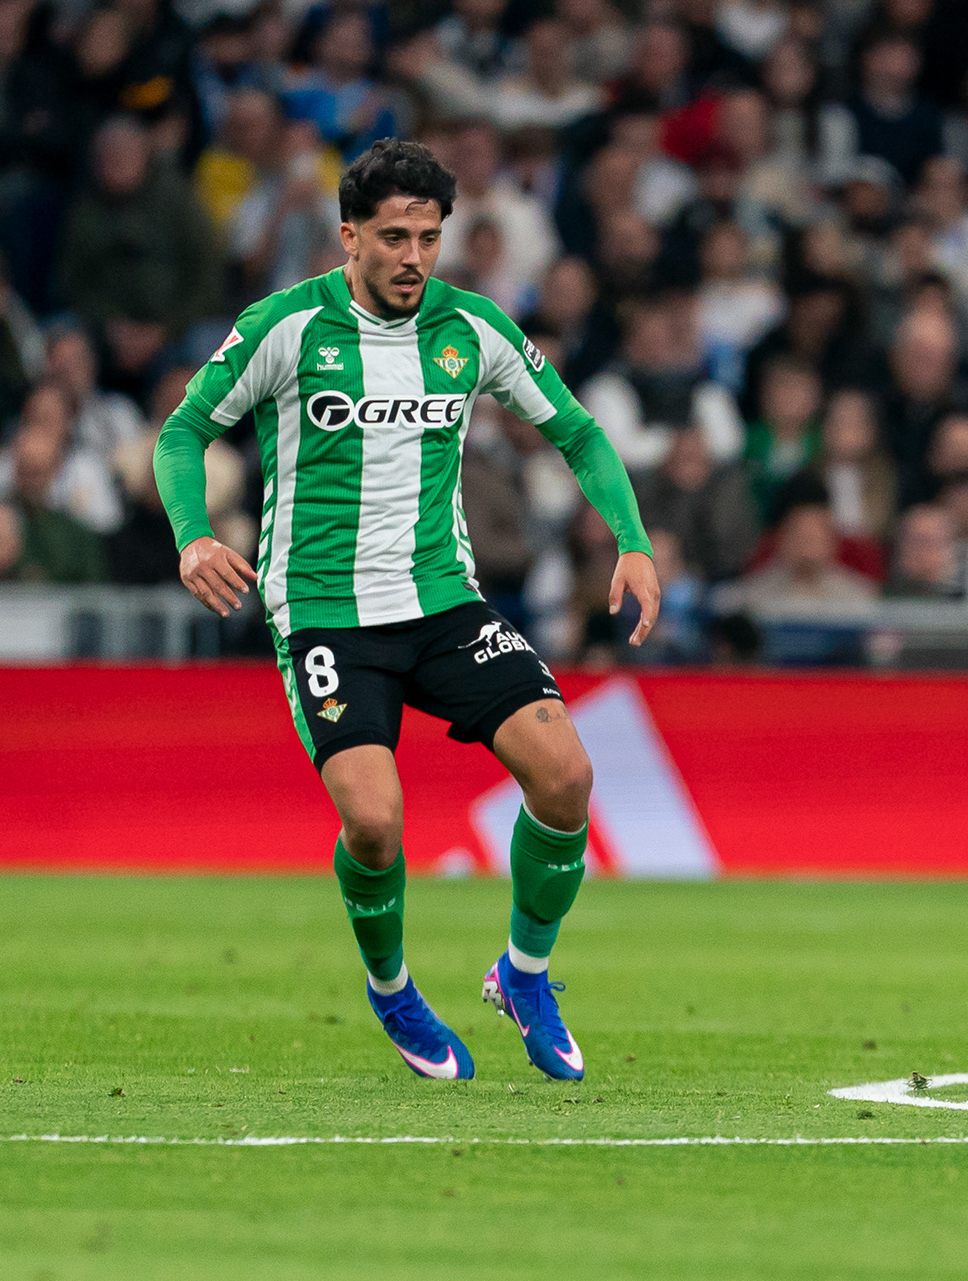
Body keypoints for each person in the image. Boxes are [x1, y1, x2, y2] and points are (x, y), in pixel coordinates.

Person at [152, 141, 660, 1084]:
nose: (413, 257)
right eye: (393, 237)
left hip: (442, 601)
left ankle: (523, 974)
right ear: (348, 236)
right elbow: (183, 431)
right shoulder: (288, 327)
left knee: (566, 775)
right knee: (375, 822)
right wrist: (192, 535)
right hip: (324, 612)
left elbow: (579, 432)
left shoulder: (472, 328)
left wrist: (631, 537)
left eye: (429, 237)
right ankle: (391, 989)